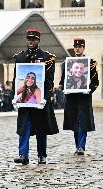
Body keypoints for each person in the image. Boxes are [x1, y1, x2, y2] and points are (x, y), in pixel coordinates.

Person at [12, 29, 59, 165]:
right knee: (24, 128)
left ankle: (42, 155)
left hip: (40, 100)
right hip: (25, 101)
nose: (30, 41)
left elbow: (49, 81)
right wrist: (15, 96)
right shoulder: (20, 57)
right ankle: (23, 155)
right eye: (29, 39)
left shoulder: (47, 58)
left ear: (38, 40)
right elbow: (16, 79)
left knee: (40, 128)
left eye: (33, 39)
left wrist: (46, 98)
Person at [59, 38, 99, 155]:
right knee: (74, 121)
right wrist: (64, 89)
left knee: (83, 122)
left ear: (83, 48)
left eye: (80, 47)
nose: (77, 48)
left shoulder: (90, 63)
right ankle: (78, 145)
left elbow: (95, 82)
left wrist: (89, 90)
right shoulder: (67, 63)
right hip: (71, 98)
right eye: (76, 47)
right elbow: (63, 81)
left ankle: (81, 146)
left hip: (84, 98)